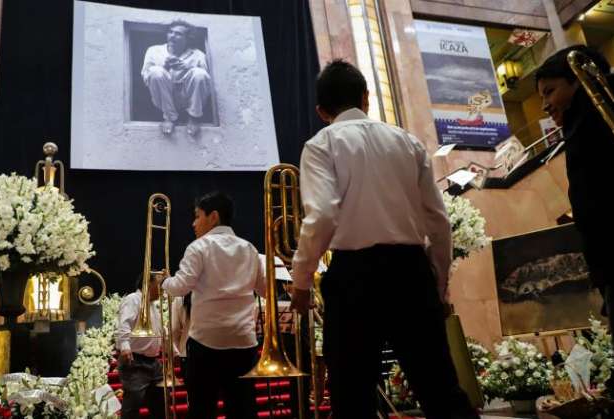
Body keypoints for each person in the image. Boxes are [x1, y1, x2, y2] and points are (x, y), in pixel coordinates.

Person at [289, 59, 479, 419]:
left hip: (354, 278)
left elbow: (323, 215)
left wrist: (301, 281)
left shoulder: (320, 145)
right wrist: (438, 285)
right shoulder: (406, 141)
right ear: (366, 98)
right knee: (440, 389)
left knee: (352, 397)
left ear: (321, 111)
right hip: (411, 272)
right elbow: (438, 222)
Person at [535, 45, 614, 405]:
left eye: (550, 91)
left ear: (579, 82)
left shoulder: (591, 121)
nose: (545, 105)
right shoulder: (589, 120)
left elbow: (598, 203)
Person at [155, 191, 266, 419]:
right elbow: (265, 290)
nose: (193, 223)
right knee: (243, 409)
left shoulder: (198, 247)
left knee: (202, 410)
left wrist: (163, 281)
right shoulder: (250, 249)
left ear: (213, 217)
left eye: (197, 216)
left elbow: (180, 287)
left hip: (207, 345)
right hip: (243, 344)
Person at [141, 19, 211, 137]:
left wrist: (188, 68)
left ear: (187, 39)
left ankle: (193, 117)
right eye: (170, 32)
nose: (172, 36)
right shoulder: (153, 50)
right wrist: (165, 67)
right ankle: (170, 117)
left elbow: (206, 83)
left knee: (199, 73)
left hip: (188, 99)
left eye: (178, 34)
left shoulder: (198, 55)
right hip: (163, 99)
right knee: (155, 71)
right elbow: (146, 78)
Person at [116, 275, 166, 419]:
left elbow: (157, 332)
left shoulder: (152, 305)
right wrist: (125, 347)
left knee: (160, 405)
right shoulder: (133, 299)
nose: (162, 289)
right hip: (136, 361)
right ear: (147, 284)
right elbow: (124, 323)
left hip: (153, 363)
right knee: (132, 408)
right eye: (159, 284)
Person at [171, 293, 192, 380]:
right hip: (215, 351)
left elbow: (174, 329)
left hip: (187, 352)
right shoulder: (211, 292)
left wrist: (176, 352)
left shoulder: (180, 299)